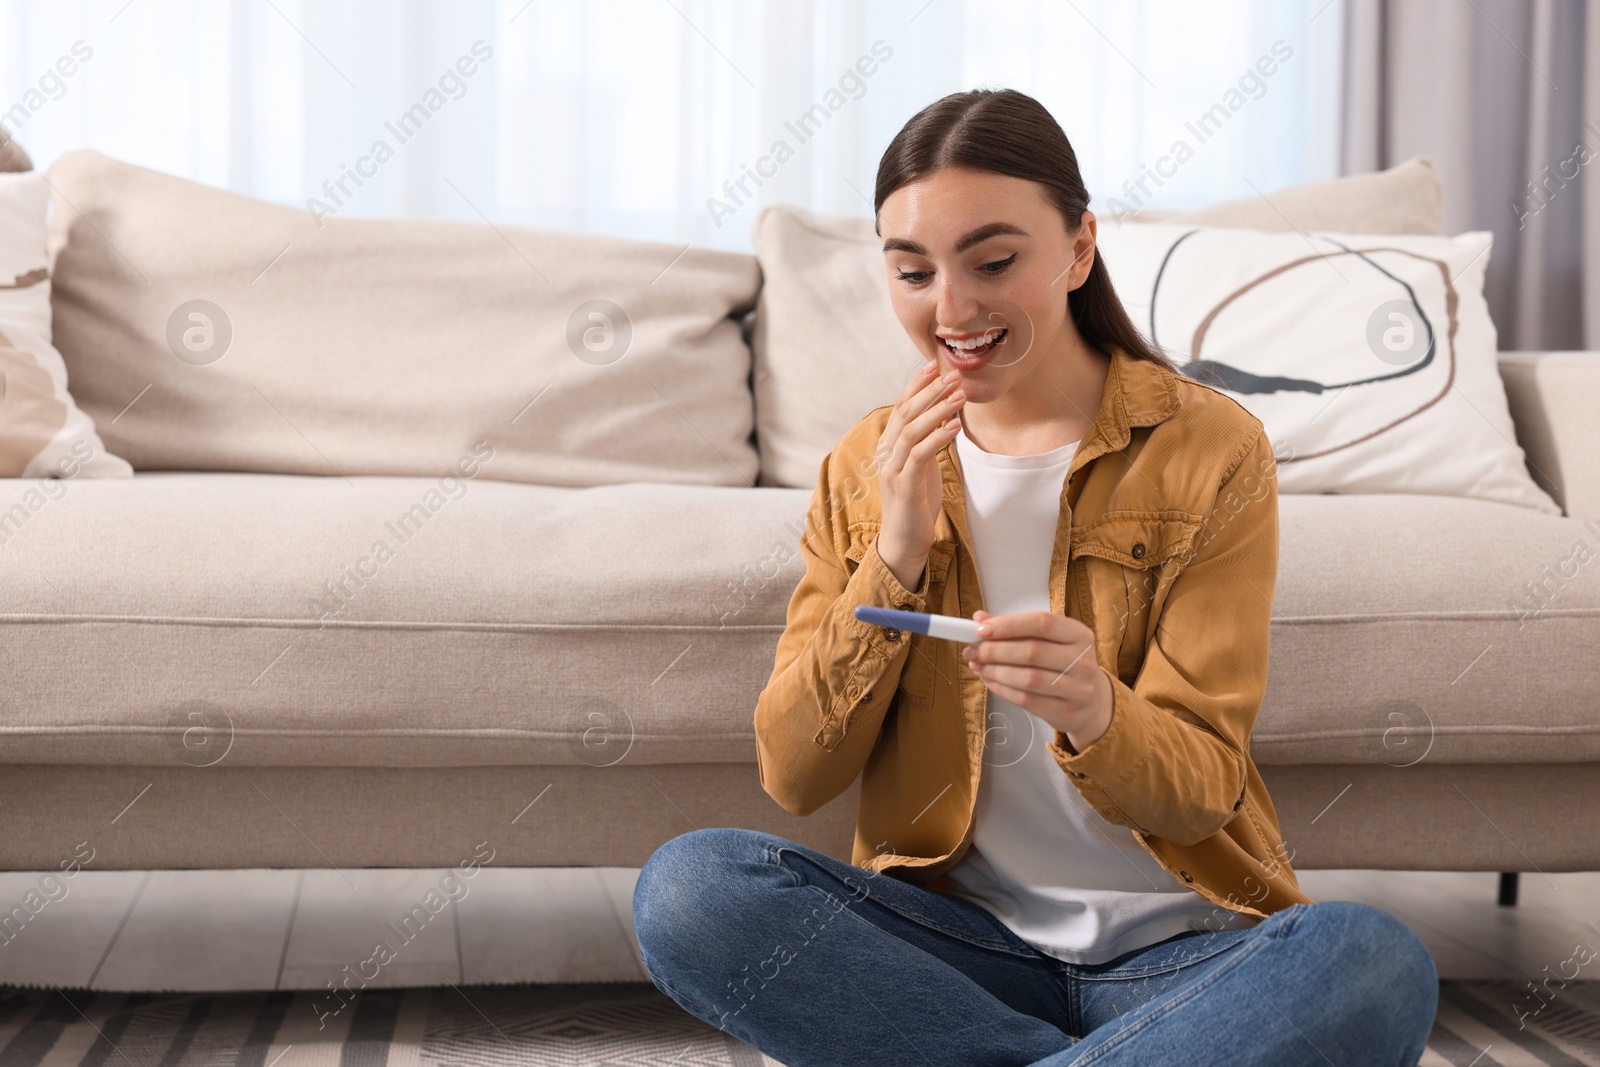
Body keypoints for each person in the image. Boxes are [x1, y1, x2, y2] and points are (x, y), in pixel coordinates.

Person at [633, 88, 1438, 1066]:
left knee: (1369, 959)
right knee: (691, 886)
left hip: (1186, 957)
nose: (952, 307)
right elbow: (795, 773)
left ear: (1078, 248)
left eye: (994, 260)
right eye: (912, 270)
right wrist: (893, 552)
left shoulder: (1210, 447)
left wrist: (1098, 709)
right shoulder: (864, 467)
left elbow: (1201, 792)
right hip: (960, 958)